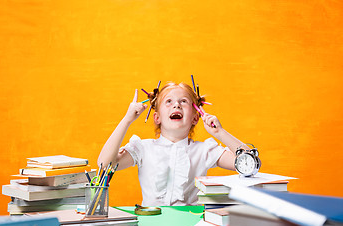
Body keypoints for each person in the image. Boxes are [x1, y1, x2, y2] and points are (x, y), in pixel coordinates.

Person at [97, 82, 250, 206]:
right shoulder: (143, 148)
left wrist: (220, 133)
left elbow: (250, 164)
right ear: (157, 118)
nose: (176, 105)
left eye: (183, 101)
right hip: (152, 224)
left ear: (195, 118)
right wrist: (127, 120)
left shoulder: (204, 150)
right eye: (168, 101)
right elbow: (104, 164)